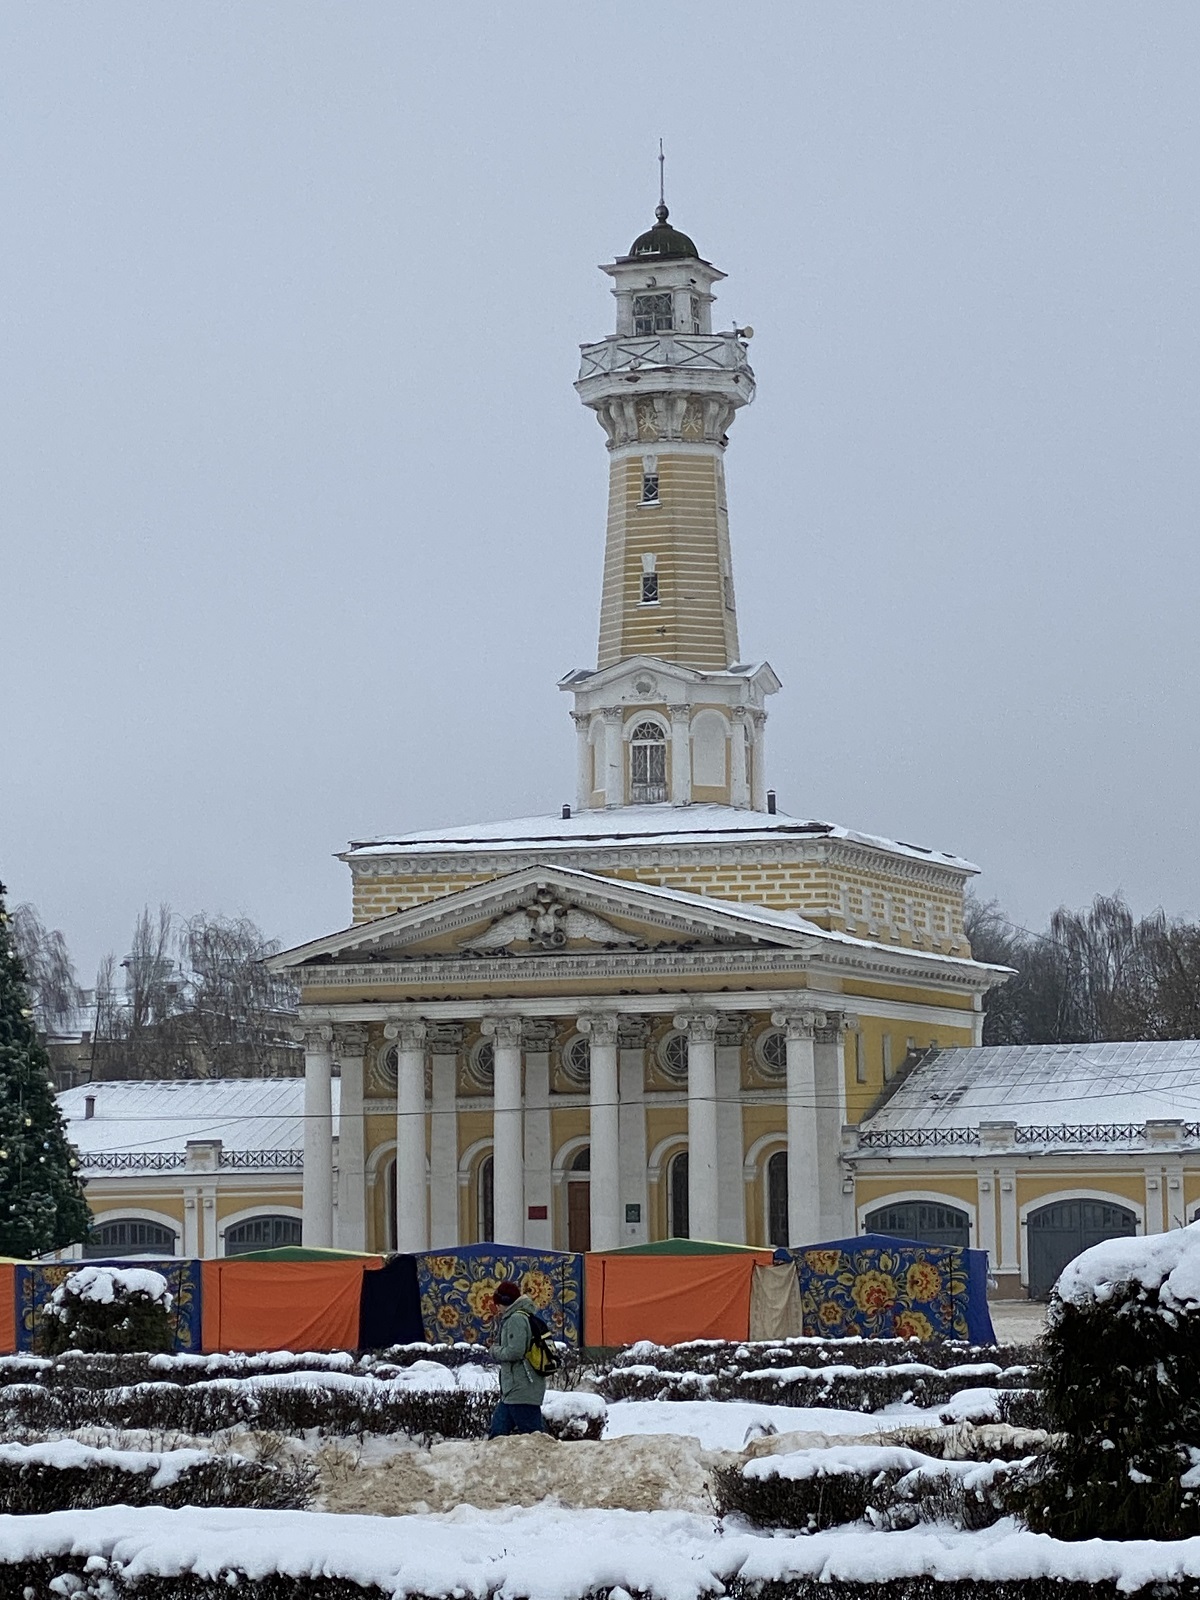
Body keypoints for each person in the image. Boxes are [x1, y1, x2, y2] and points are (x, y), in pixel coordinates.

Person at [487, 1278, 547, 1438]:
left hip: (522, 1387)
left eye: (498, 1303)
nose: (497, 1308)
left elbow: (515, 1352)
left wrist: (494, 1350)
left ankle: (547, 1462)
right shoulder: (520, 1316)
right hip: (513, 1389)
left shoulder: (516, 1319)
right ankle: (496, 1462)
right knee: (497, 1434)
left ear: (504, 1302)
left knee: (535, 1438)